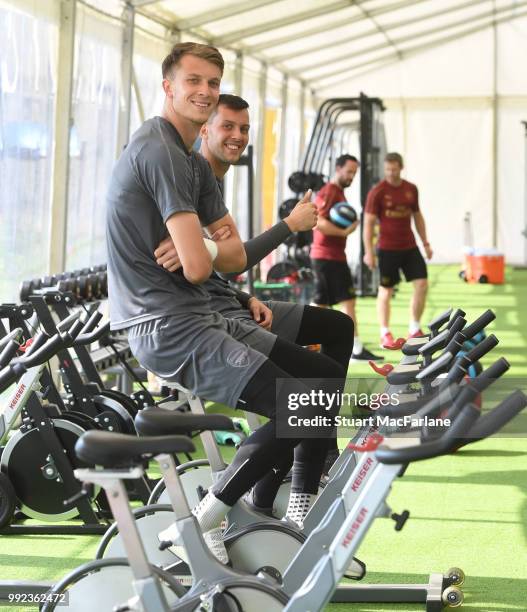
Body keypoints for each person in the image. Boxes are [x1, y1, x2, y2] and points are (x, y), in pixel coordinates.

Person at [106, 42, 345, 563]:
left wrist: (207, 247)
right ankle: (203, 519)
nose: (205, 92)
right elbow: (197, 267)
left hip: (203, 314)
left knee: (320, 377)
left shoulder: (193, 161)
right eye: (194, 81)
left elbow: (230, 258)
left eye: (213, 83)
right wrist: (207, 252)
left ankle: (297, 498)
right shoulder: (161, 151)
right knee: (294, 402)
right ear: (168, 87)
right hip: (166, 325)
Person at [153, 94, 354, 508]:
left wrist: (243, 294)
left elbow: (223, 263)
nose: (238, 137)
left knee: (337, 332)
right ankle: (285, 490)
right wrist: (288, 226)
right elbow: (221, 259)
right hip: (205, 321)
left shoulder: (210, 181)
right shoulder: (183, 178)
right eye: (227, 127)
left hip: (229, 303)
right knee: (312, 389)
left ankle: (315, 457)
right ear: (204, 128)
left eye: (244, 129)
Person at [310, 154, 382, 361]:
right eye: (349, 171)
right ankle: (355, 349)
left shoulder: (337, 192)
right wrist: (345, 231)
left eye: (354, 173)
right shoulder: (330, 191)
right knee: (346, 301)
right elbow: (318, 222)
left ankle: (310, 344)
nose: (351, 176)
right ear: (338, 169)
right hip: (327, 257)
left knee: (321, 303)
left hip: (330, 256)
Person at [363, 152, 433, 348]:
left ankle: (414, 328)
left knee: (422, 284)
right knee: (386, 290)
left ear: (401, 168)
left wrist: (425, 243)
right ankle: (385, 333)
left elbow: (417, 217)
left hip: (409, 247)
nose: (391, 173)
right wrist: (369, 251)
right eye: (387, 169)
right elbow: (368, 224)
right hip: (387, 249)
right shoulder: (377, 192)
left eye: (394, 169)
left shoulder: (411, 189)